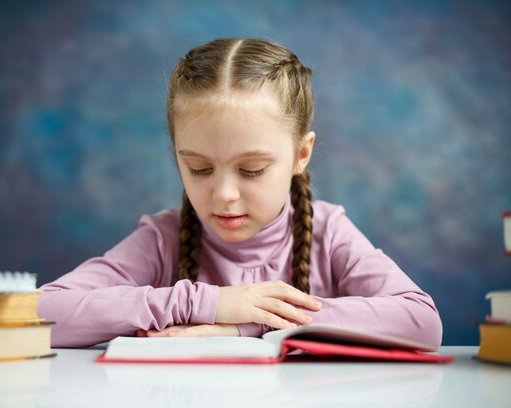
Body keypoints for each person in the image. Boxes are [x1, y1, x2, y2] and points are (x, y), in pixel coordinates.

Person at [38, 38, 443, 348]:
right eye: (199, 169)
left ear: (301, 154)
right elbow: (37, 312)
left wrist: (249, 324)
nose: (224, 195)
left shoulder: (328, 232)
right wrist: (205, 304)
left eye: (252, 170)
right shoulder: (164, 238)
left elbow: (420, 321)